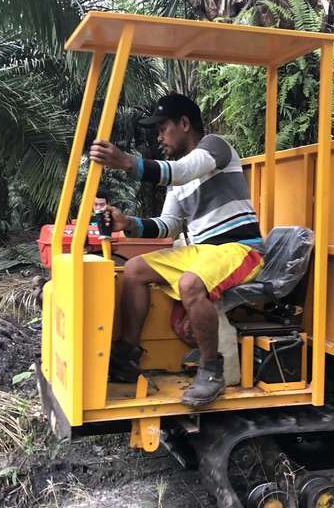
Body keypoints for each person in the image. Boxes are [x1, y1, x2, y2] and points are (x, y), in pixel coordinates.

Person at [89, 94, 263, 407]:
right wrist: (128, 223)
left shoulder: (215, 147)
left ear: (184, 124)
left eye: (163, 128)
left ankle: (211, 370)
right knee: (134, 270)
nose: (159, 137)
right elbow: (168, 225)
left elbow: (182, 170)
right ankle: (127, 355)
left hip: (238, 248)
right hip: (202, 252)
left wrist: (127, 162)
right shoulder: (178, 180)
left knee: (190, 283)